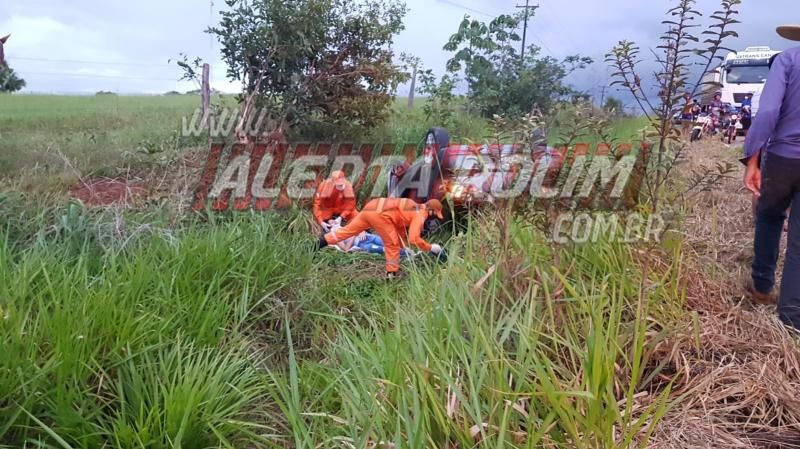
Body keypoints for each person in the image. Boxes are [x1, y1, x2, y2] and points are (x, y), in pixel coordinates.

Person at [742, 24, 800, 329]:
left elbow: (767, 112)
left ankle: (762, 286)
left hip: (783, 158)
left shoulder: (788, 60)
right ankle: (791, 317)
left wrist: (752, 158)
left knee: (769, 215)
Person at [318, 198, 446, 276]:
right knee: (392, 245)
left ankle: (315, 245)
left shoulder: (411, 204)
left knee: (346, 231)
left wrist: (404, 245)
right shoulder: (420, 214)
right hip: (380, 215)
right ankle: (391, 275)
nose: (433, 216)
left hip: (372, 206)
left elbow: (399, 225)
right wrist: (430, 247)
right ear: (431, 210)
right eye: (435, 214)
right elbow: (414, 238)